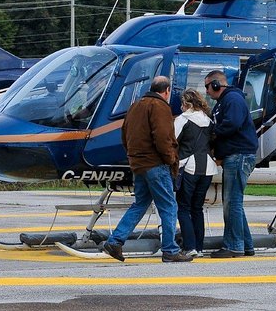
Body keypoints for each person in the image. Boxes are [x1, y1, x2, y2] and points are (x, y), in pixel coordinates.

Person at [103, 76, 192, 263]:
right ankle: (170, 249)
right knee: (168, 206)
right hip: (156, 164)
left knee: (140, 204)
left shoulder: (136, 105)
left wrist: (133, 156)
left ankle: (116, 240)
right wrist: (170, 159)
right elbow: (162, 137)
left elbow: (125, 133)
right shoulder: (160, 107)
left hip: (138, 164)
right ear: (167, 91)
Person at [204, 70, 258, 258]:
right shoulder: (224, 102)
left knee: (232, 202)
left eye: (208, 87)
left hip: (239, 155)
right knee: (234, 202)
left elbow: (232, 124)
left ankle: (234, 246)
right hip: (234, 155)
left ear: (217, 84)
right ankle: (246, 245)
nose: (207, 91)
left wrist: (212, 132)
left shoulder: (232, 99)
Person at [174, 89, 218, 258]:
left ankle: (189, 246)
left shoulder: (183, 119)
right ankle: (199, 247)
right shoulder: (208, 120)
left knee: (183, 207)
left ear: (186, 104)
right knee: (197, 208)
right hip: (207, 167)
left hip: (188, 166)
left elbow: (172, 140)